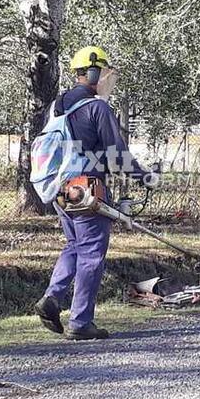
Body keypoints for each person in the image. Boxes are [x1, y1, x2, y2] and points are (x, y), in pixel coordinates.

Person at [34, 46, 159, 340]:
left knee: (74, 246)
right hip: (88, 190)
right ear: (93, 73)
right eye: (106, 73)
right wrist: (146, 177)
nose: (108, 80)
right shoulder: (97, 107)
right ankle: (80, 323)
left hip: (60, 190)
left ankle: (53, 297)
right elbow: (117, 157)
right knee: (91, 253)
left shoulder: (57, 107)